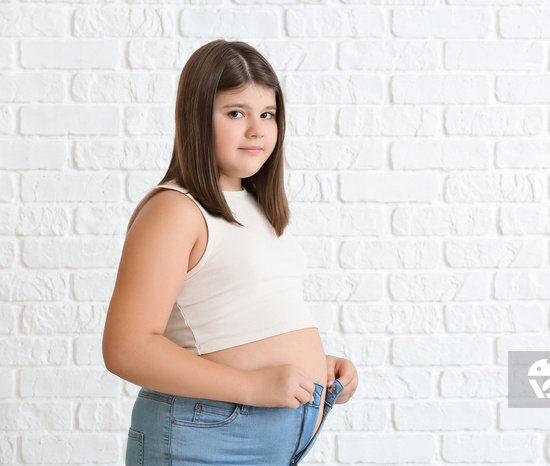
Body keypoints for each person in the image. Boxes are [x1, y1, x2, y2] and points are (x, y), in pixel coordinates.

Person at [102, 39, 358, 465]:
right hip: (206, 438)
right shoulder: (175, 210)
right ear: (198, 118)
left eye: (268, 114)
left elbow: (235, 320)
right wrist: (253, 386)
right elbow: (126, 348)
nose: (257, 129)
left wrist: (317, 368)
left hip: (268, 435)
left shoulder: (254, 205)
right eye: (236, 113)